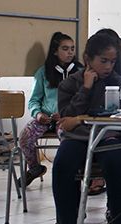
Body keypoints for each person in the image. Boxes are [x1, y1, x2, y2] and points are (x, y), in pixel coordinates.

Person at [38, 32, 121, 224]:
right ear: (88, 58)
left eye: (112, 61)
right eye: (103, 61)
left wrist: (83, 119)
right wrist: (86, 89)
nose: (108, 66)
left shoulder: (120, 83)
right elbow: (66, 117)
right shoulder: (70, 83)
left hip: (108, 137)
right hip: (79, 139)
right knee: (62, 165)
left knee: (115, 162)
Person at [21, 32, 81, 187]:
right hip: (46, 119)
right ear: (55, 51)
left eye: (72, 49)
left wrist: (67, 113)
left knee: (67, 138)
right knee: (25, 137)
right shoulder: (43, 72)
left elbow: (84, 101)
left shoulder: (81, 72)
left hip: (67, 119)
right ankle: (34, 168)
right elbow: (34, 100)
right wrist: (38, 114)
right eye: (65, 49)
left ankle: (72, 172)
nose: (70, 52)